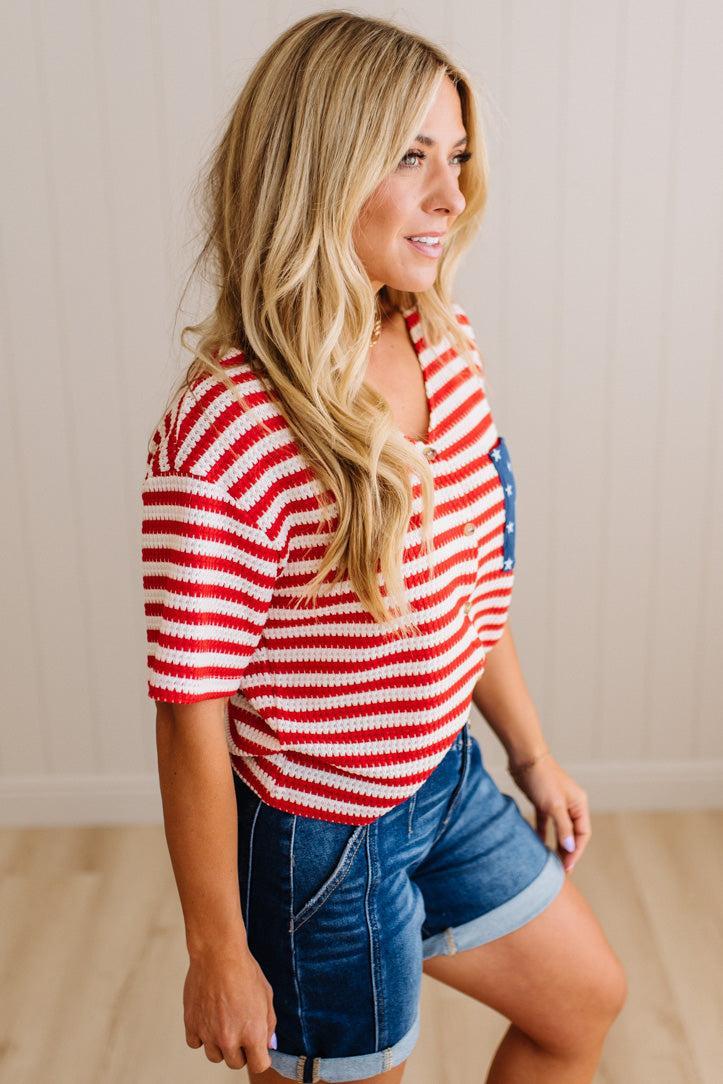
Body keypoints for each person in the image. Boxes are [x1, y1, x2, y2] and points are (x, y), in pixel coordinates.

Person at [141, 10, 627, 1083]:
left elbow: (469, 593)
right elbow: (190, 710)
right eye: (412, 157)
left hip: (440, 779)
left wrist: (532, 752)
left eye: (455, 158)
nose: (452, 196)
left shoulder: (440, 338)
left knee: (583, 1001)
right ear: (319, 170)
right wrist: (217, 944)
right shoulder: (229, 428)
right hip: (319, 841)